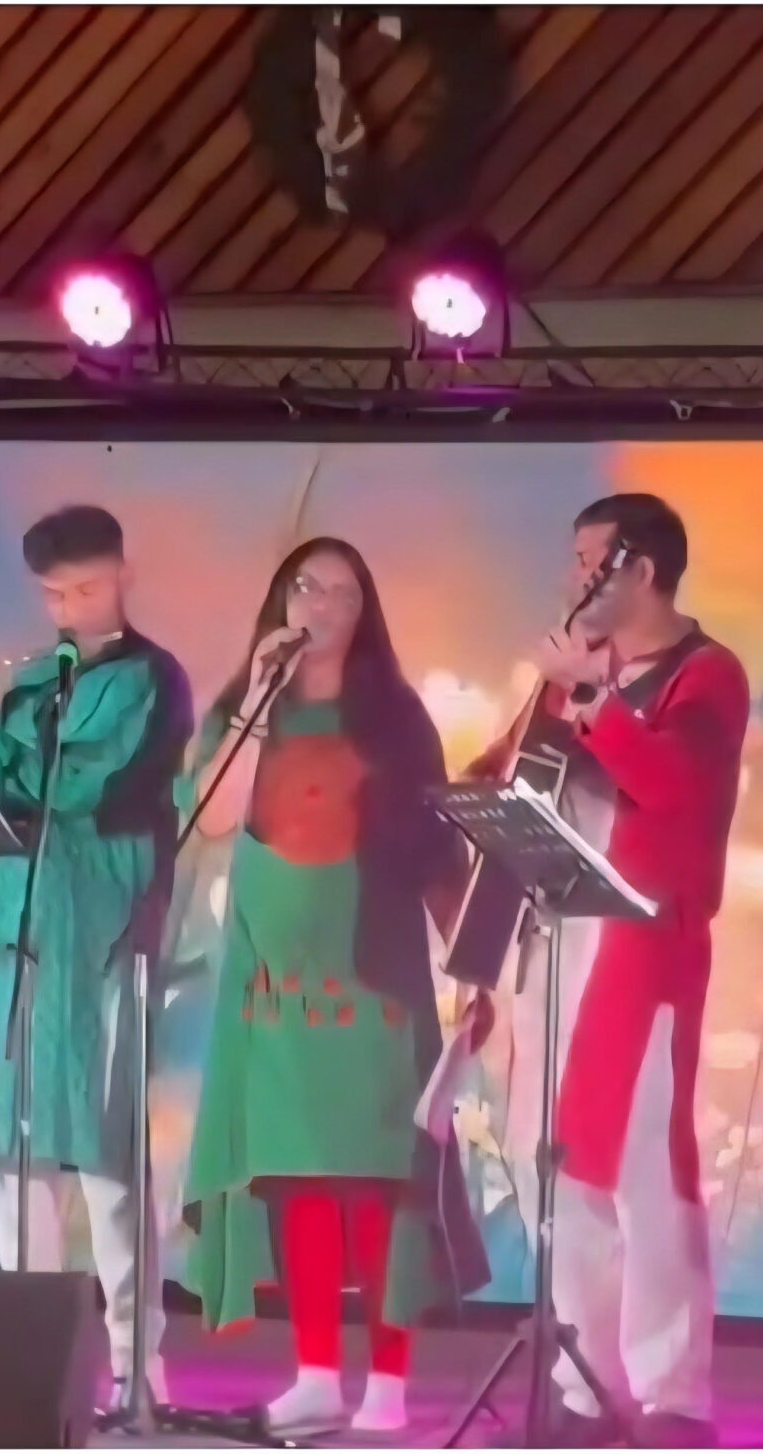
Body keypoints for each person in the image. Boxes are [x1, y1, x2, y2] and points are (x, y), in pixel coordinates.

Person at [180, 538, 489, 1438]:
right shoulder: (244, 708)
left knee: (381, 1182)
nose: (318, 604)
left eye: (341, 593)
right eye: (304, 587)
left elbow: (437, 855)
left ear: (364, 613)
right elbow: (216, 816)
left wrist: (475, 968)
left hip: (374, 981)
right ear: (280, 601)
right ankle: (315, 1372)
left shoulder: (397, 718)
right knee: (299, 1180)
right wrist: (253, 701)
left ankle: (387, 1384)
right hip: (273, 988)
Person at [0, 505, 189, 1406]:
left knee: (106, 1150)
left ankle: (137, 1363)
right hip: (13, 923)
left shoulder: (152, 678)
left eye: (87, 588)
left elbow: (74, 785)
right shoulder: (35, 678)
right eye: (55, 594)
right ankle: (37, 1357)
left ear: (123, 574)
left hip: (98, 924)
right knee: (12, 1151)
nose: (70, 608)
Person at [521, 494, 746, 1447]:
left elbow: (671, 786)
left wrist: (592, 700)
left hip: (647, 942)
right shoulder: (585, 667)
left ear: (642, 569)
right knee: (562, 1163)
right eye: (575, 560)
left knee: (645, 1164)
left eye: (593, 561)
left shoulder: (708, 672)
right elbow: (522, 774)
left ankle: (672, 1392)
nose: (578, 579)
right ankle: (584, 1385)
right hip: (564, 943)